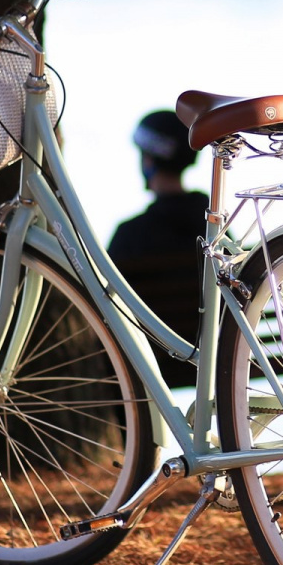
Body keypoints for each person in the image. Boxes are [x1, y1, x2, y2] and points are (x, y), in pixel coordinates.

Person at [108, 110, 208, 388]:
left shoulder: (129, 236)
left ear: (148, 159)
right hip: (211, 357)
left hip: (143, 363)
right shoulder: (214, 232)